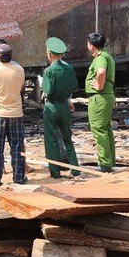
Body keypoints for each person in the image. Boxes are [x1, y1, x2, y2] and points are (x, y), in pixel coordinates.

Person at [0, 43, 26, 186]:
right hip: (16, 114)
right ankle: (19, 178)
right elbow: (20, 87)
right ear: (12, 55)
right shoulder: (19, 70)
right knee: (17, 147)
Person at [41, 37, 80, 179]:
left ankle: (55, 171)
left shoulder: (49, 71)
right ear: (62, 55)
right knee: (67, 138)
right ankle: (75, 169)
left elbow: (48, 90)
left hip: (51, 106)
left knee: (51, 140)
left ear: (49, 54)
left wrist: (42, 85)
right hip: (64, 105)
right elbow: (75, 87)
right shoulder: (69, 69)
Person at [84, 32, 116, 172]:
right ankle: (110, 160)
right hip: (106, 96)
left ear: (91, 45)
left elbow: (101, 71)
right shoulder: (106, 55)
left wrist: (99, 86)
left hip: (99, 96)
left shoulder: (100, 57)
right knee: (106, 128)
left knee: (99, 129)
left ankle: (104, 163)